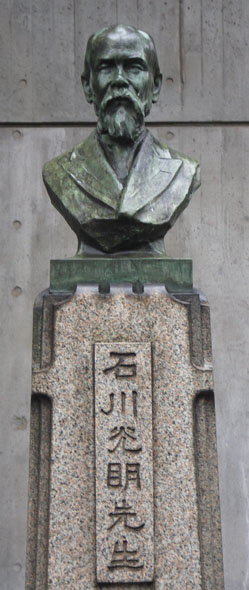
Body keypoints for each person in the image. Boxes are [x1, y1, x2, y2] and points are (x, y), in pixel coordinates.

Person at [43, 24, 200, 255]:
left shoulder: (184, 171)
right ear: (88, 86)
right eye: (106, 68)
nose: (119, 80)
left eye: (133, 68)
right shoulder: (58, 172)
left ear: (155, 86)